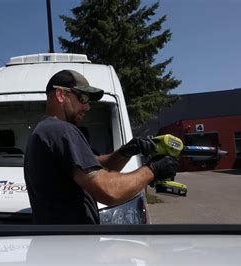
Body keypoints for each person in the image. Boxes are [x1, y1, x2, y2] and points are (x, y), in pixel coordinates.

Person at [23, 69, 179, 224]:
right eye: (83, 98)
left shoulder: (43, 131)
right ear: (61, 95)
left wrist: (126, 151)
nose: (87, 107)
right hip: (71, 245)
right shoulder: (61, 130)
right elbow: (108, 191)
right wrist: (153, 170)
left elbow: (93, 163)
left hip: (58, 242)